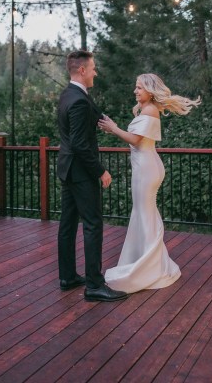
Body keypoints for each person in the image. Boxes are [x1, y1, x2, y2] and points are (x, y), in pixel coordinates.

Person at [98, 73, 201, 294]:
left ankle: (148, 268)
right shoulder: (147, 110)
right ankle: (145, 262)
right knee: (143, 213)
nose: (135, 91)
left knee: (144, 214)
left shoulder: (150, 110)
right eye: (135, 87)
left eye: (139, 88)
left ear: (150, 91)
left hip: (146, 169)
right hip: (144, 167)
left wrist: (113, 128)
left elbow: (136, 140)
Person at [57, 50, 127, 302]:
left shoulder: (69, 95)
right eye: (94, 68)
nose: (96, 72)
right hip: (81, 172)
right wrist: (101, 170)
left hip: (68, 170)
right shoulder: (77, 100)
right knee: (92, 224)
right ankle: (95, 285)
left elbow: (90, 116)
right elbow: (78, 143)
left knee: (67, 225)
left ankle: (67, 277)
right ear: (83, 70)